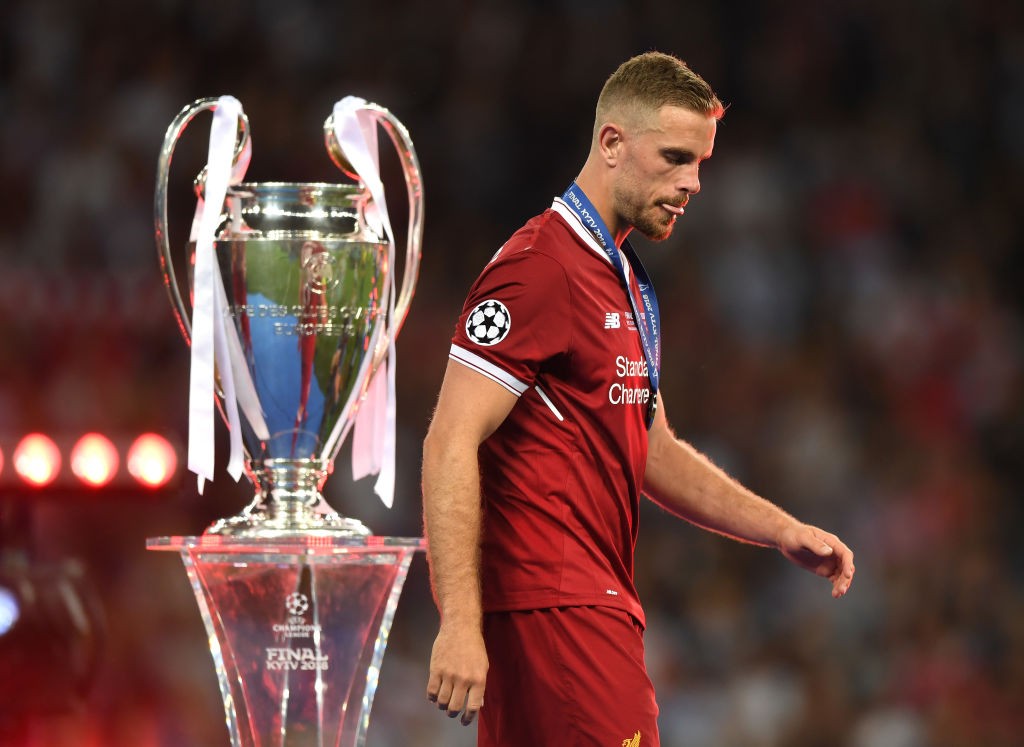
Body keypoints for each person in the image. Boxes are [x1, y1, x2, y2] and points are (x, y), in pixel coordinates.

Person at [421, 51, 855, 746]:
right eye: (677, 157)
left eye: (702, 164)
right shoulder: (541, 269)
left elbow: (652, 448)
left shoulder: (622, 278)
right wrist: (461, 622)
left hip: (585, 608)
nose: (693, 183)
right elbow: (450, 439)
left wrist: (777, 528)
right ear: (613, 143)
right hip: (556, 612)